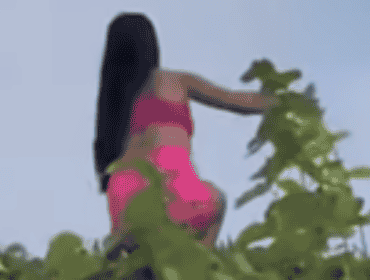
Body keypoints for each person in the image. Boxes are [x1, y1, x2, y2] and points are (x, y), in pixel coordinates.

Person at [93, 13, 277, 251]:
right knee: (215, 203)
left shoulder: (112, 102)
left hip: (126, 199)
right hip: (175, 195)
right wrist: (282, 101)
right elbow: (235, 101)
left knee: (137, 264)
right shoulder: (174, 81)